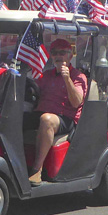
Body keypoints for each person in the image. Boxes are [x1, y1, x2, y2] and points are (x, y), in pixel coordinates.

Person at [27, 38, 88, 186]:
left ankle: (37, 169)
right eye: (54, 53)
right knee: (12, 117)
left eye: (62, 52)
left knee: (46, 120)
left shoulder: (78, 76)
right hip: (42, 112)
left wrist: (66, 78)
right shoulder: (47, 75)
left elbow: (76, 102)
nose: (58, 56)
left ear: (70, 55)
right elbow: (33, 88)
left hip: (65, 118)